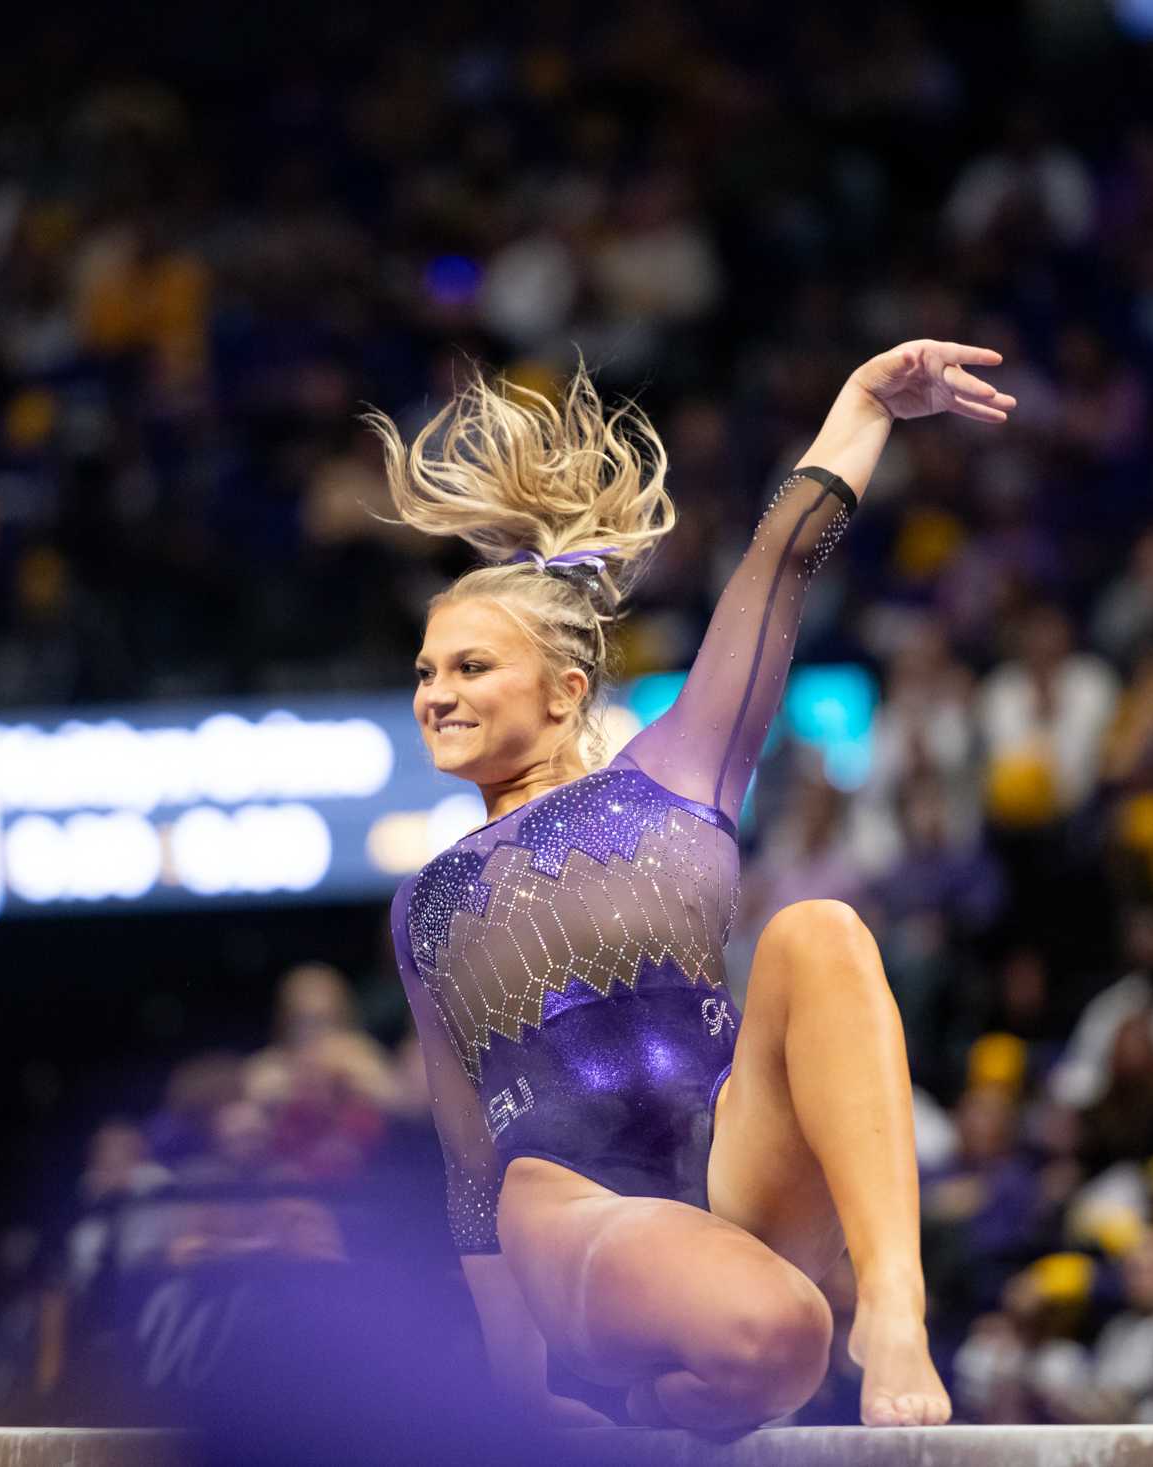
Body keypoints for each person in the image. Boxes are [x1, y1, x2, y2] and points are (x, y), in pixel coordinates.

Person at [369, 340, 1017, 1433]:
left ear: (567, 689)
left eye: (471, 667)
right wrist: (508, 1397)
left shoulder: (677, 775)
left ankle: (893, 1306)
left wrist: (862, 403)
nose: (437, 694)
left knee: (818, 932)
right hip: (568, 1210)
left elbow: (781, 565)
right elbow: (470, 1170)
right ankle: (625, 1385)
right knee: (774, 1332)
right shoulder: (428, 902)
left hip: (724, 1179)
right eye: (428, 671)